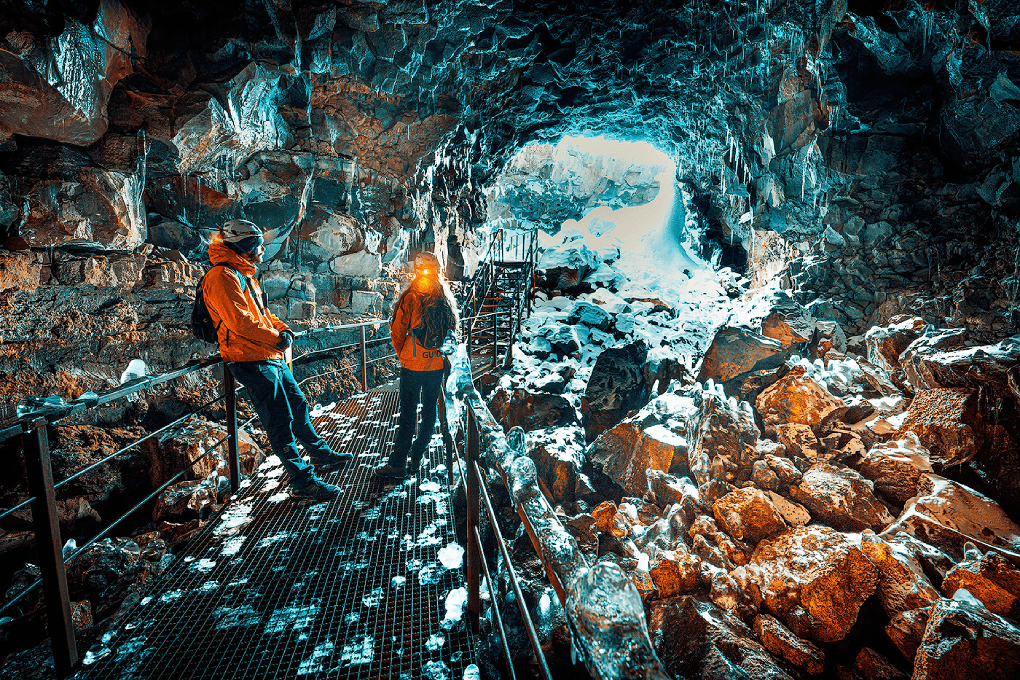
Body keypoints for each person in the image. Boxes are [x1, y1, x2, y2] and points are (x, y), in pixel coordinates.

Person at [203, 219, 351, 500]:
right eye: (258, 244)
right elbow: (239, 322)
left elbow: (262, 314)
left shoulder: (244, 275)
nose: (263, 249)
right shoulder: (222, 276)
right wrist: (275, 339)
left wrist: (281, 330)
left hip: (268, 355)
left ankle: (320, 455)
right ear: (246, 246)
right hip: (249, 359)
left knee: (297, 406)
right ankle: (302, 481)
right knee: (279, 419)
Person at [375, 252, 459, 480]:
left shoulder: (410, 298)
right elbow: (452, 330)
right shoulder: (443, 298)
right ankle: (418, 453)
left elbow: (397, 331)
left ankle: (398, 464)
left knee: (408, 414)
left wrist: (403, 354)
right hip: (436, 365)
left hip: (412, 365)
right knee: (430, 411)